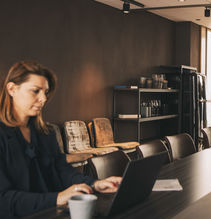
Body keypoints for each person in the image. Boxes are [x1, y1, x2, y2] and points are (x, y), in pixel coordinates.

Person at [0, 61, 122, 218]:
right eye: (35, 91)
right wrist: (57, 198)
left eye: (45, 92)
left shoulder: (45, 133)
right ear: (12, 89)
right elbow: (3, 200)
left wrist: (95, 184)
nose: (43, 99)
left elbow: (62, 172)